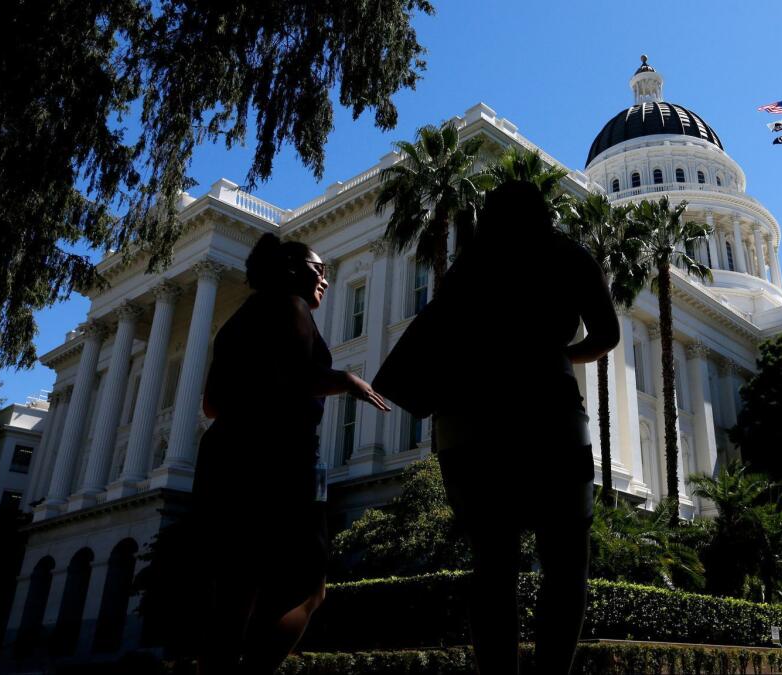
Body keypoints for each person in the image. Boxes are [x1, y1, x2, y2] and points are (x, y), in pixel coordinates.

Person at [432, 180, 620, 674]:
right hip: (548, 413)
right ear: (543, 213)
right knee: (565, 559)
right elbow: (608, 334)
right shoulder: (568, 255)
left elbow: (438, 341)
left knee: (492, 562)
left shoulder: (467, 268)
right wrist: (559, 354)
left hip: (472, 418)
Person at [193, 233, 390, 675]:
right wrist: (345, 381)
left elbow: (211, 404)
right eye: (315, 268)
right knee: (309, 588)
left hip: (223, 457)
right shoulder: (291, 306)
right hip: (280, 460)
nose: (323, 276)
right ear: (288, 270)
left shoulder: (238, 322)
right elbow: (295, 376)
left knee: (233, 594)